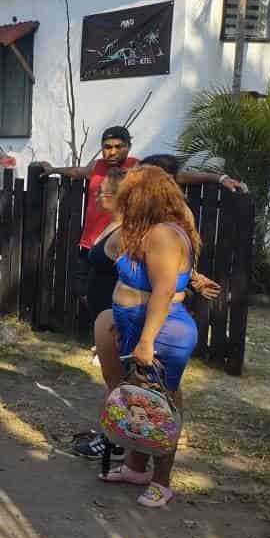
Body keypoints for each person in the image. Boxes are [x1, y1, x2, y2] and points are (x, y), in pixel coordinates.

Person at [37, 127, 244, 306]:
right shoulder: (97, 167)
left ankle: (114, 332)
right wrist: (53, 169)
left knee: (119, 289)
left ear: (129, 146)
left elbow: (178, 176)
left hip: (120, 244)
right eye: (107, 146)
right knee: (83, 288)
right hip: (91, 242)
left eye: (118, 146)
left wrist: (220, 177)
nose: (112, 152)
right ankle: (102, 329)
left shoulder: (138, 169)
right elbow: (77, 171)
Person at [96, 165, 201, 508]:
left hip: (163, 330)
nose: (121, 200)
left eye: (128, 196)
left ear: (143, 199)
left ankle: (162, 481)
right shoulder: (145, 231)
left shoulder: (164, 235)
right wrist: (123, 319)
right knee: (138, 404)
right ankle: (136, 467)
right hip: (138, 325)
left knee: (160, 407)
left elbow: (163, 291)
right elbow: (112, 250)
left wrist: (145, 340)